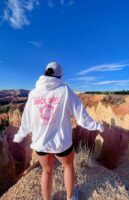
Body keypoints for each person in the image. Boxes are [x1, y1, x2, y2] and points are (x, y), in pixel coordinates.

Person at [13, 62, 104, 200]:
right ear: (59, 76)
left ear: (45, 73)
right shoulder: (65, 91)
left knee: (46, 171)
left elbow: (27, 120)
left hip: (40, 142)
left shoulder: (33, 94)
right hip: (61, 142)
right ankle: (71, 197)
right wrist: (96, 126)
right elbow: (81, 115)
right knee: (68, 166)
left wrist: (19, 136)